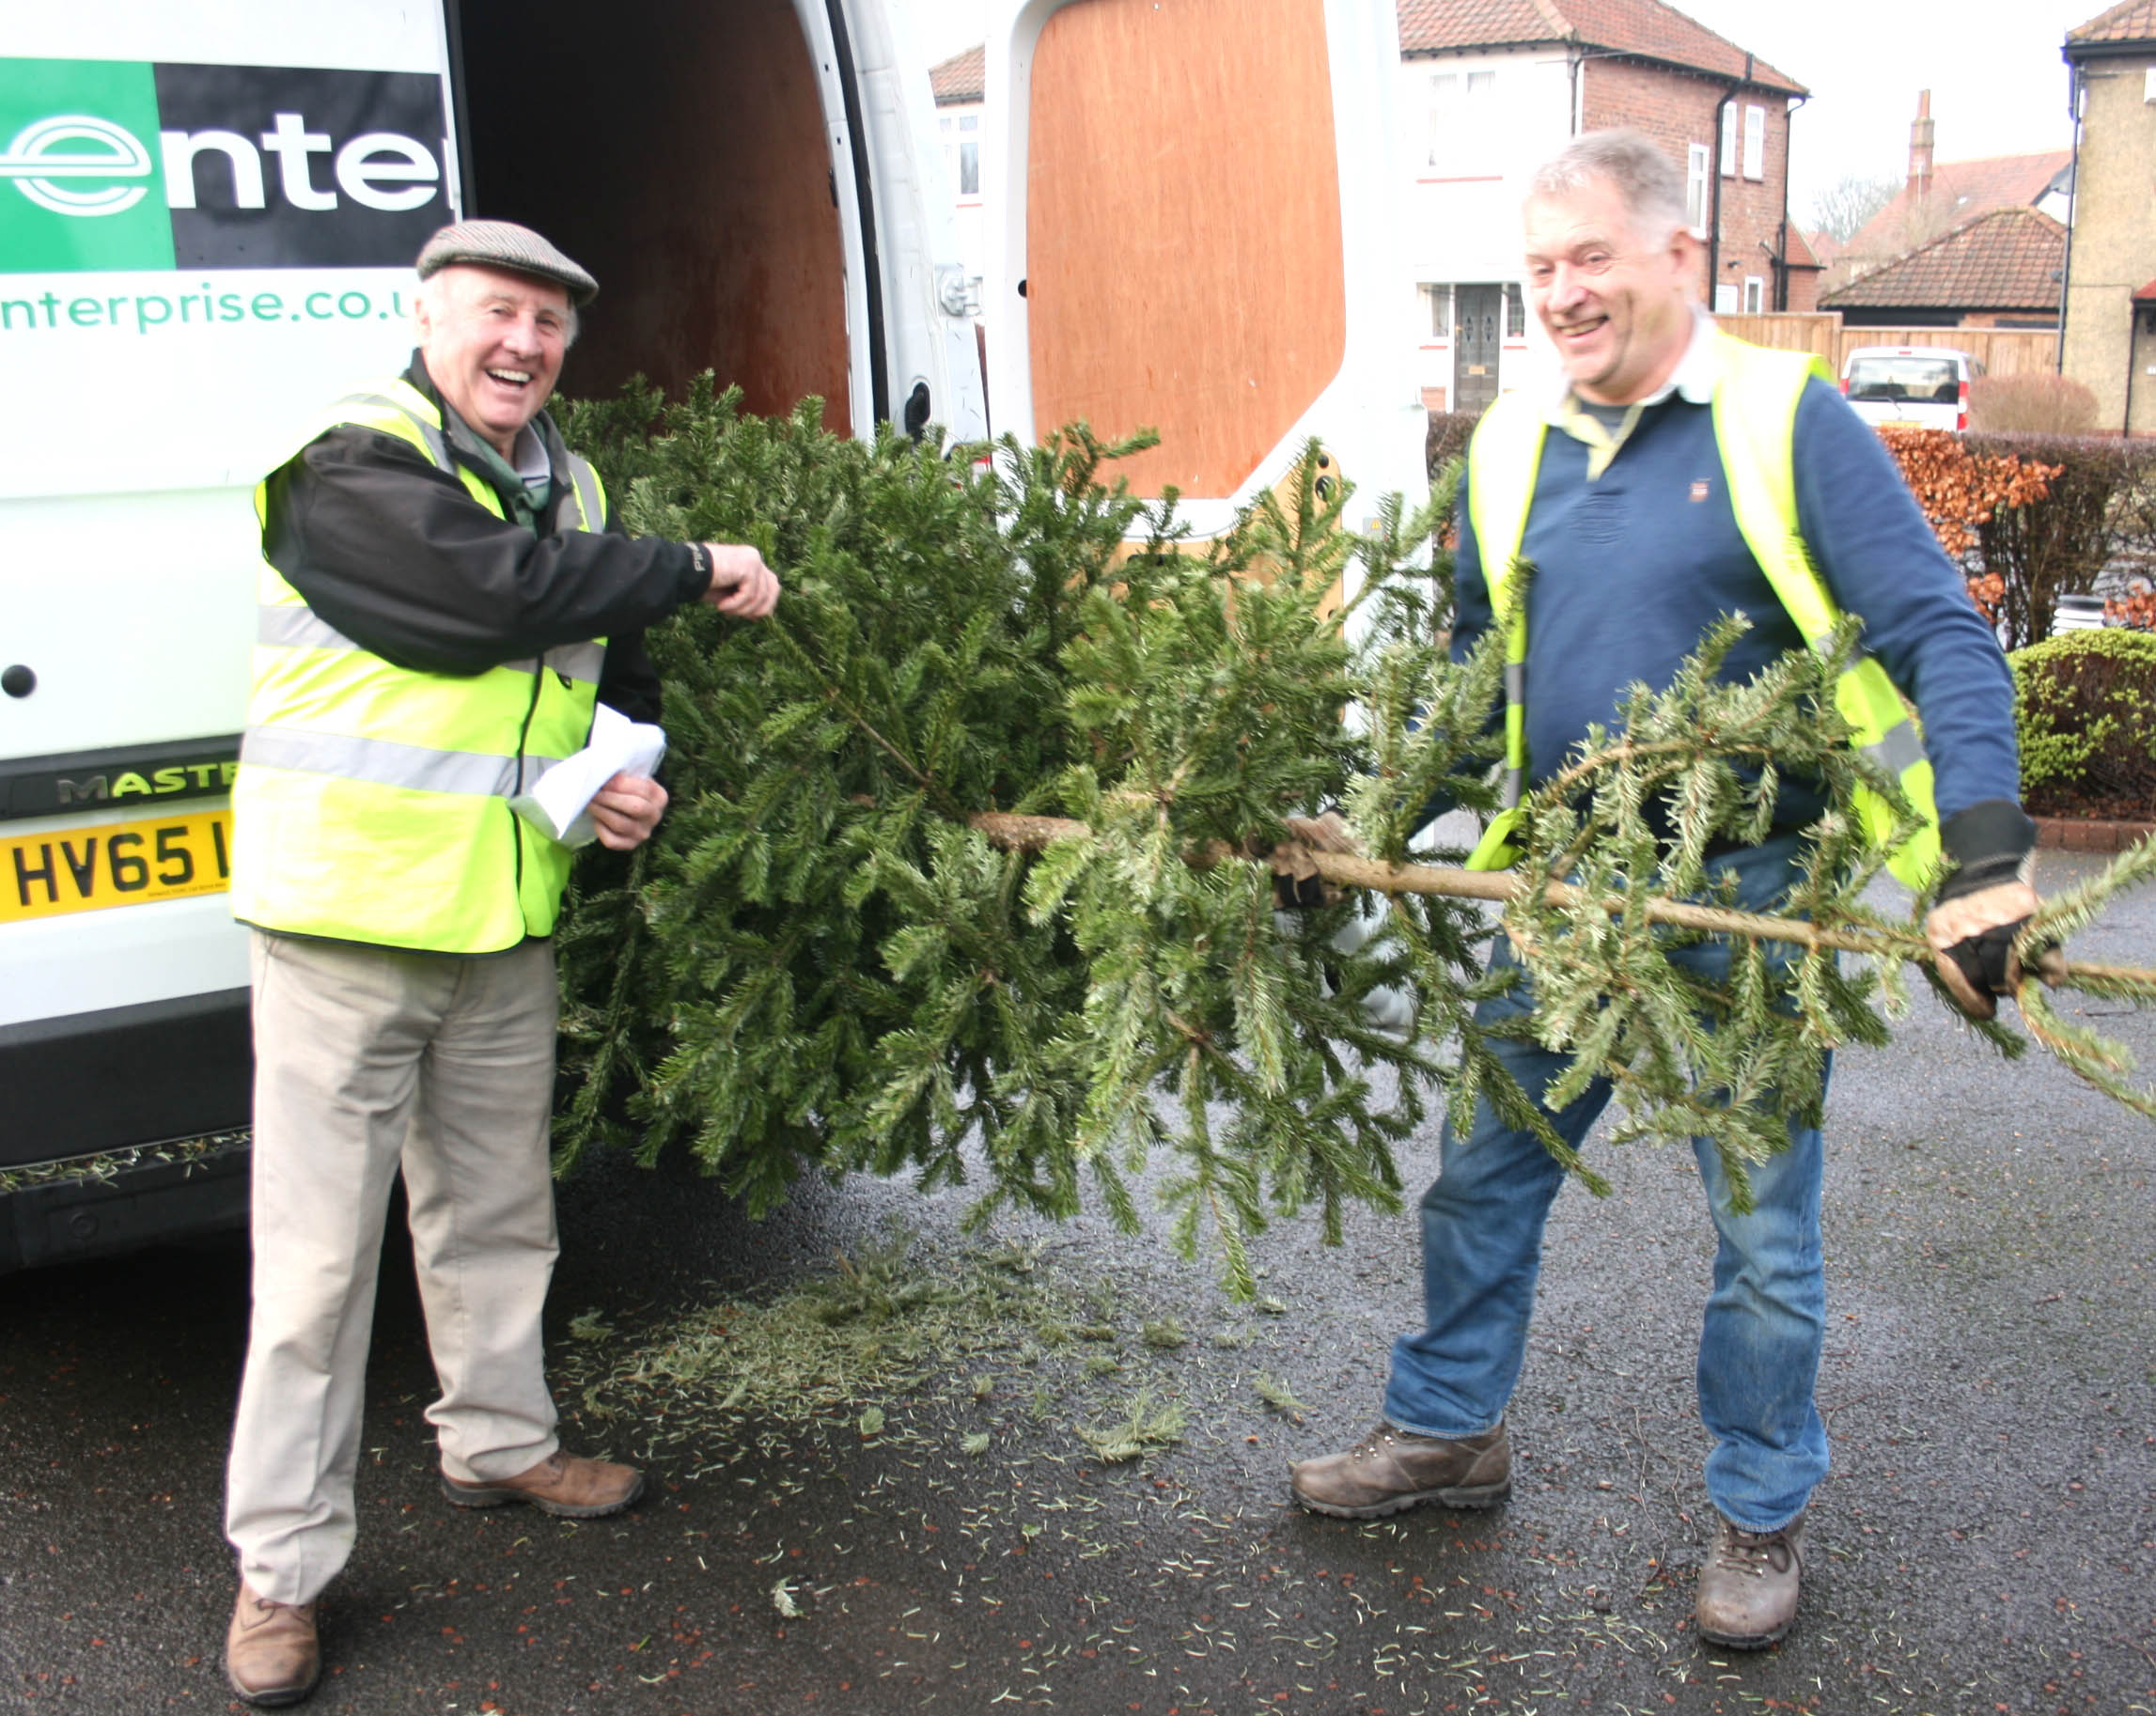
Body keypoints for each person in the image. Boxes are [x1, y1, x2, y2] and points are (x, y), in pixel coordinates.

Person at [1289, 132, 2051, 1650]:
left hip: (1744, 900)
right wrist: (1361, 818)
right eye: (1541, 268)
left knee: (1763, 1230)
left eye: (1591, 259)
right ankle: (1448, 1431)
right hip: (1561, 891)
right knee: (1481, 1174)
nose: (1562, 293)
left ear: (1677, 257)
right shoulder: (1507, 445)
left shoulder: (1785, 421)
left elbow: (1934, 634)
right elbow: (1466, 680)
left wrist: (1979, 852)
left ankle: (1758, 1508)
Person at [220, 219, 779, 1707]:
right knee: (317, 1271)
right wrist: (693, 561)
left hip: (498, 917)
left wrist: (623, 779)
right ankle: (279, 1569)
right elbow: (487, 602)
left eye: (547, 321)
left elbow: (607, 668)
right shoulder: (353, 465)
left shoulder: (571, 488)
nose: (522, 343)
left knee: (494, 1215)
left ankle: (502, 1441)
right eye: (495, 312)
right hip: (346, 920)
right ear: (428, 316)